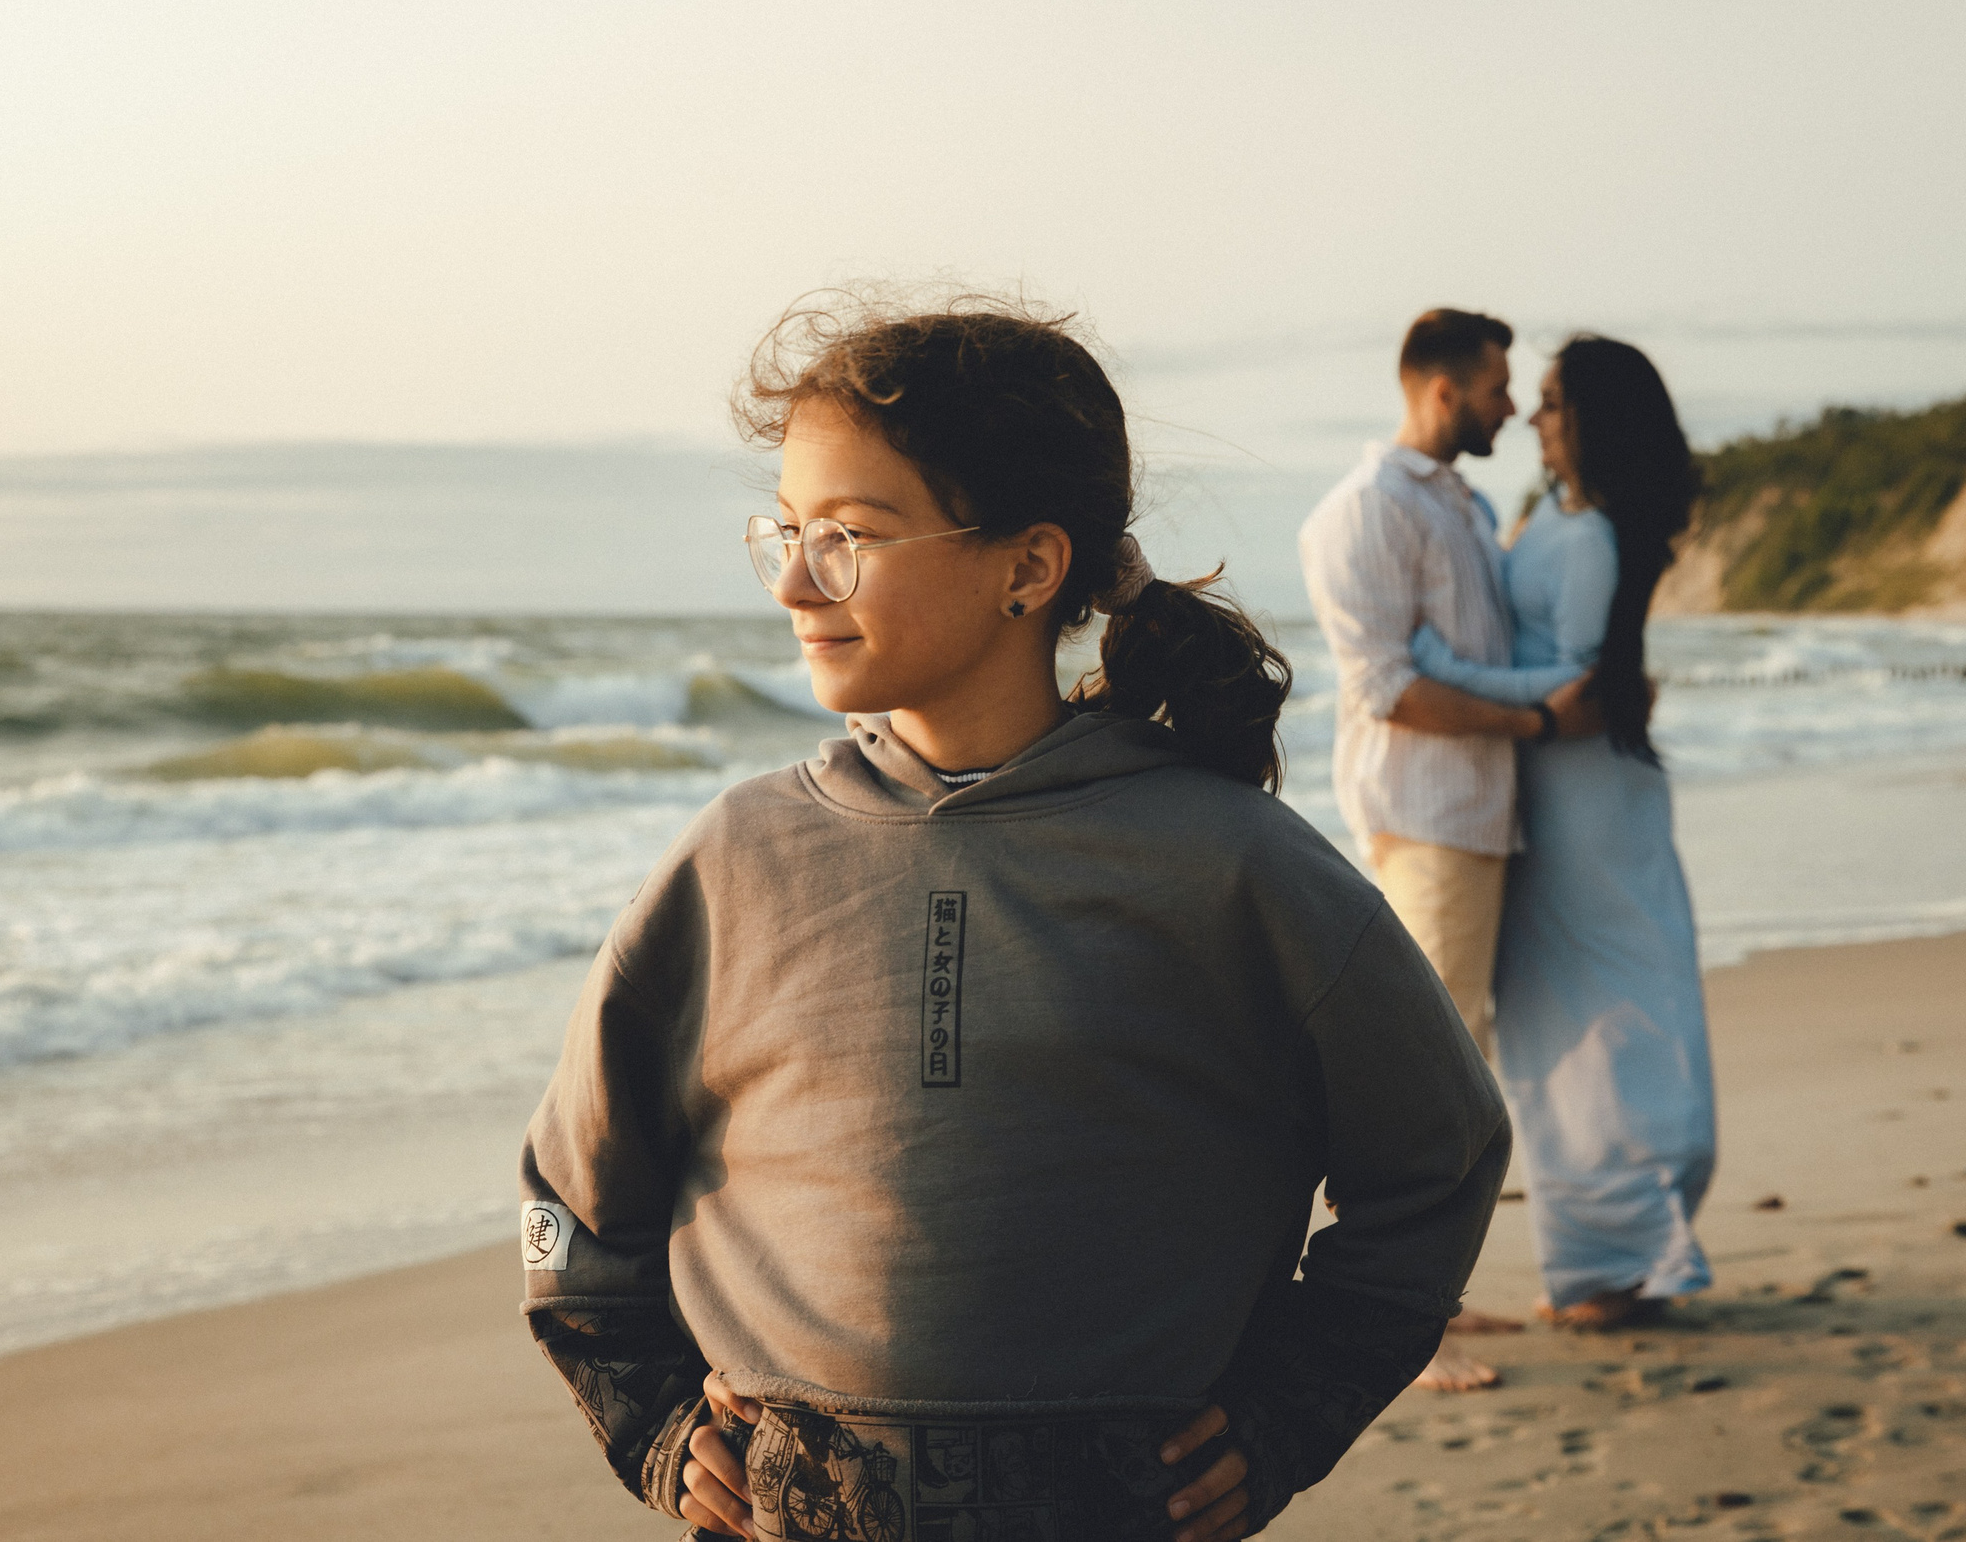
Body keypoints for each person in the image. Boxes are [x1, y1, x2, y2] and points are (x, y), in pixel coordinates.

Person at [518, 292, 1510, 1542]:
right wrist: (655, 1426)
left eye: (850, 534)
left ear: (1029, 567)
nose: (793, 580)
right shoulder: (736, 859)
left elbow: (1440, 1154)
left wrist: (1284, 1415)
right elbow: (571, 1186)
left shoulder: (1228, 863)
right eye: (785, 529)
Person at [1295, 308, 1597, 1391]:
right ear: (1440, 391)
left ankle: (1429, 1308)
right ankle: (1390, 1333)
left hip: (1475, 818)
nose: (1511, 407)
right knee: (1417, 1085)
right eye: (1495, 387)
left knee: (1454, 1069)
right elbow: (1386, 688)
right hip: (1424, 819)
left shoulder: (1456, 504)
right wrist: (1538, 725)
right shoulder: (1366, 510)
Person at [1404, 335, 1716, 1331]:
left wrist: (1433, 673)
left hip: (1586, 799)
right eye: (1529, 399)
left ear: (1592, 419)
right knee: (1551, 1022)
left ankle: (1629, 1248)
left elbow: (1577, 687)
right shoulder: (1550, 516)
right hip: (1541, 790)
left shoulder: (1593, 537)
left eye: (1549, 401)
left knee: (1612, 1006)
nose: (1533, 418)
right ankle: (1596, 1263)